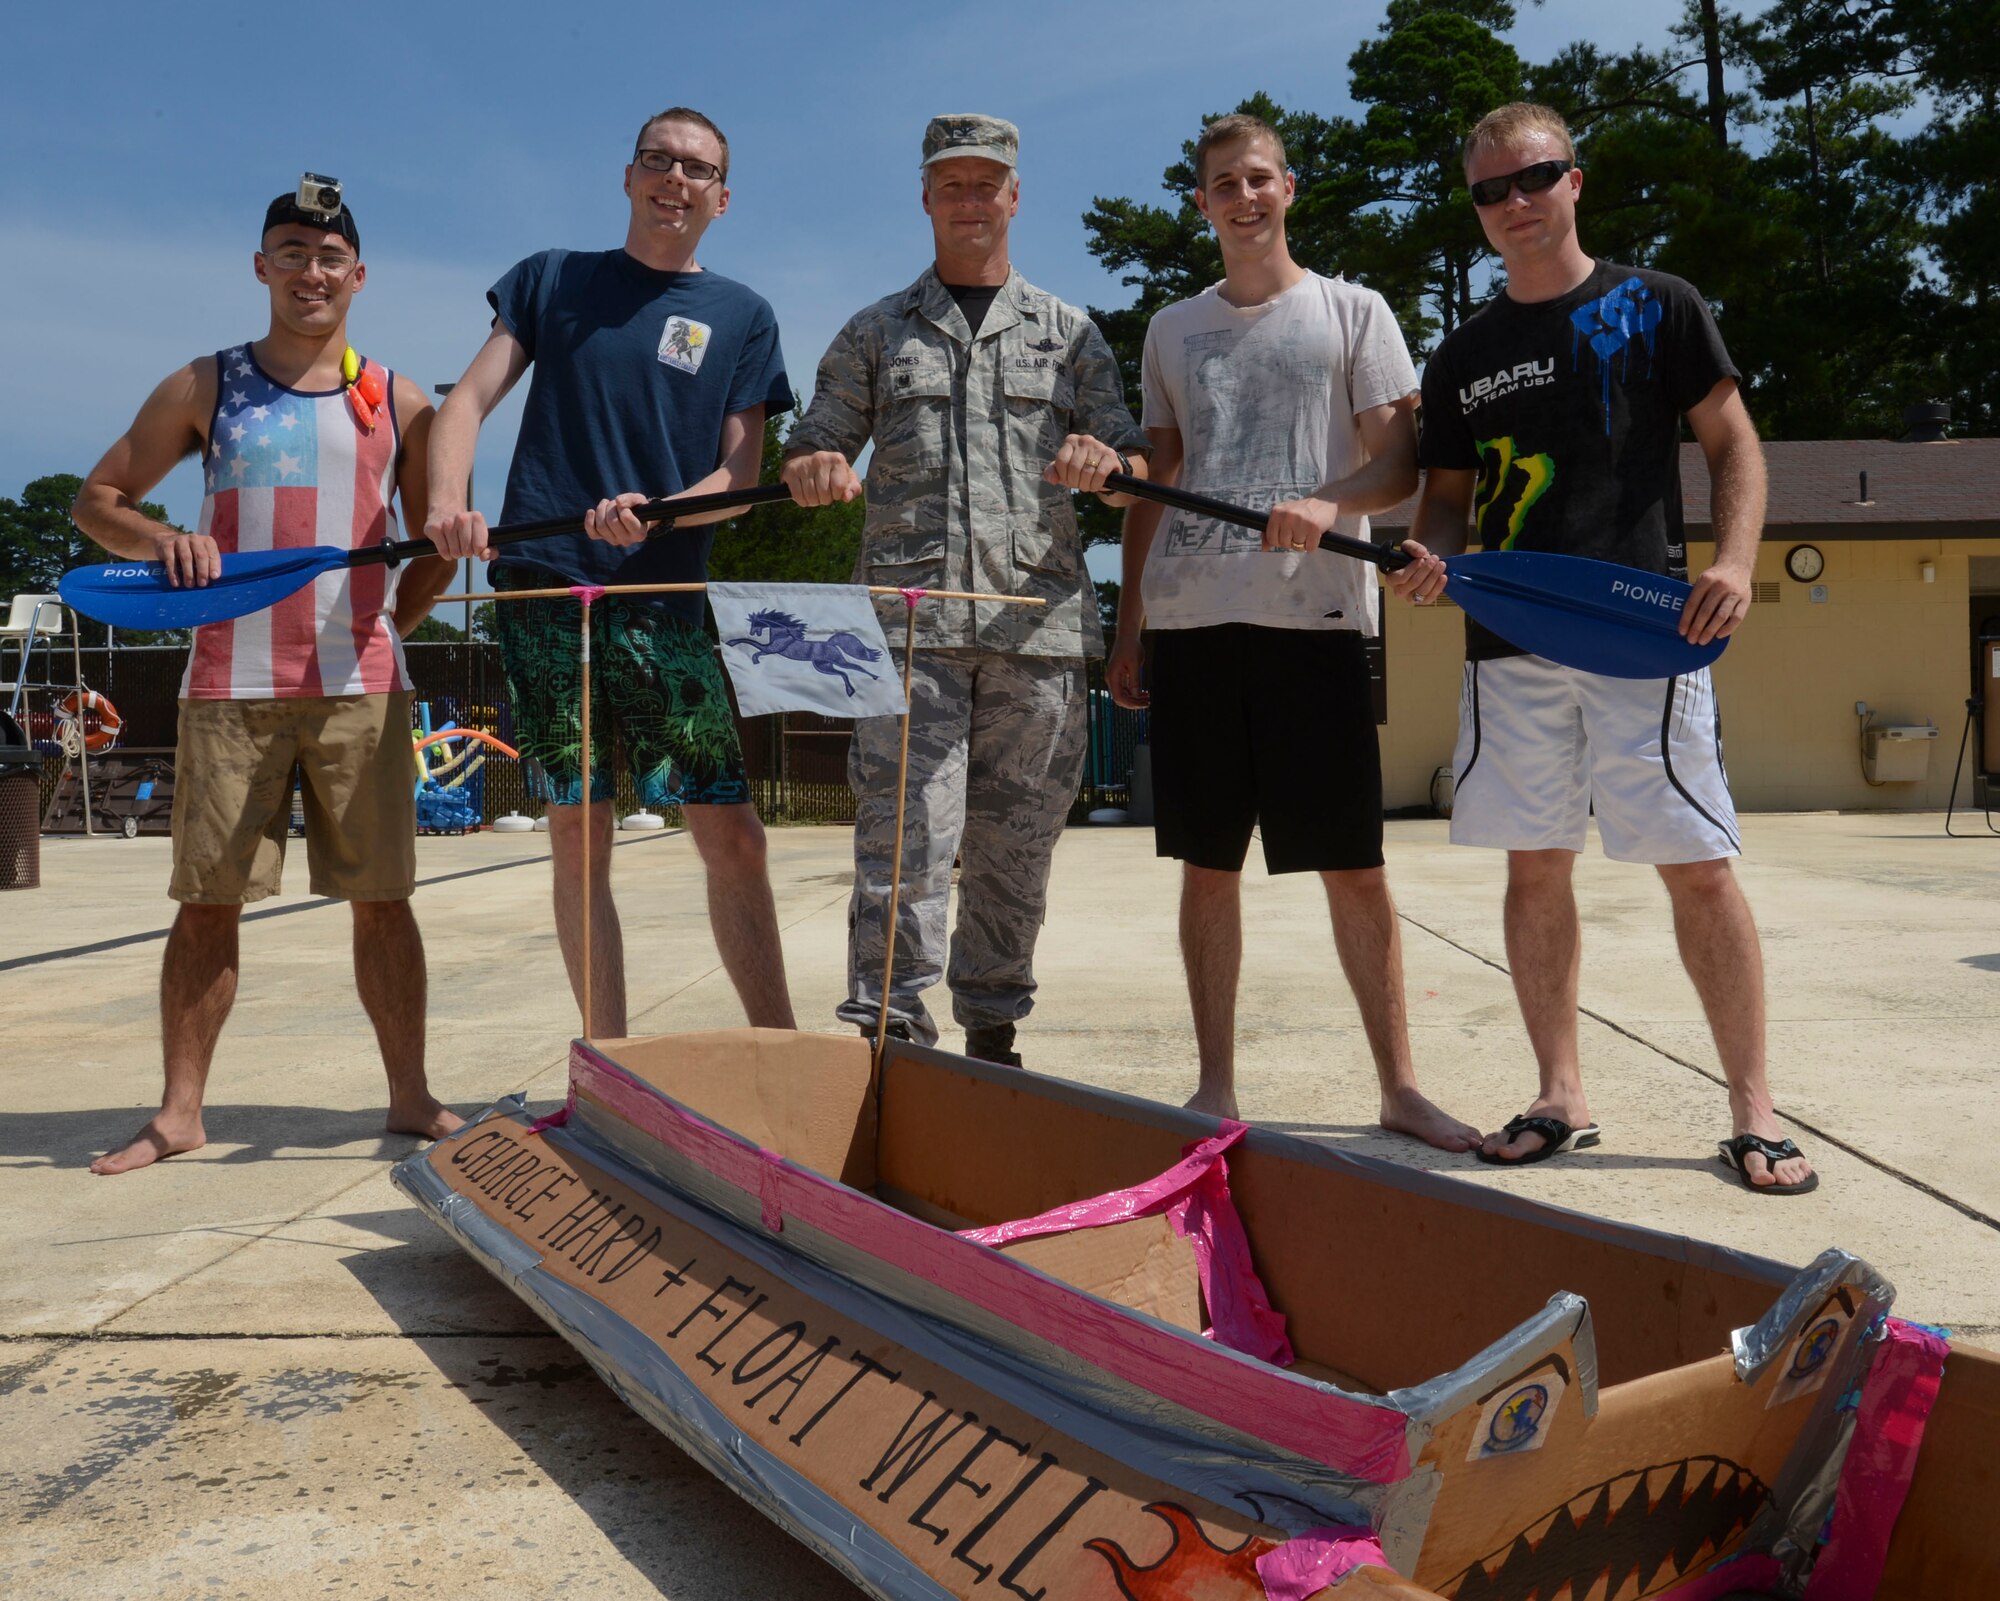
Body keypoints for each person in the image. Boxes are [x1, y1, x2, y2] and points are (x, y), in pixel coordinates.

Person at [1388, 102, 1816, 1192]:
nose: (1511, 204)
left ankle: (1754, 1108)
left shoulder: (1655, 305)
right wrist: (1428, 563)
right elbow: (1443, 502)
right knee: (1535, 867)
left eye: (1530, 178)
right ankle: (1557, 1091)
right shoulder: (1463, 353)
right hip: (1507, 640)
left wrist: (1728, 561)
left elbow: (1732, 443)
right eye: (1488, 191)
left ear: (1573, 179)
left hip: (1642, 630)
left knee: (1696, 867)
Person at [1105, 114, 1479, 1151]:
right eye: (1221, 182)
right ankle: (1213, 1085)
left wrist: (1324, 502)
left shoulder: (1351, 310)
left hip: (1310, 621)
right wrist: (1129, 619)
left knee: (1352, 865)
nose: (1241, 195)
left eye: (1257, 177)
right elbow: (1159, 478)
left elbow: (1395, 464)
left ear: (1288, 188)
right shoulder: (1171, 329)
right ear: (1201, 203)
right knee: (1204, 865)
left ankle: (1399, 1086)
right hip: (1191, 622)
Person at [72, 180, 460, 1175]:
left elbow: (435, 547)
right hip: (226, 686)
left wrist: (383, 627)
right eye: (289, 252)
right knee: (208, 902)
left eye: (328, 257)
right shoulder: (205, 384)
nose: (310, 272)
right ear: (260, 267)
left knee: (383, 899)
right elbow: (97, 502)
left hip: (360, 688)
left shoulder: (399, 398)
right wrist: (164, 541)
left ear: (359, 276)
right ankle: (179, 1113)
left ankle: (410, 1096)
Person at [784, 114, 1150, 1065]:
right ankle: (889, 1041)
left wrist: (1105, 457)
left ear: (1015, 197)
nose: (971, 199)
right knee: (900, 845)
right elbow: (817, 434)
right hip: (909, 633)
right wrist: (818, 461)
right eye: (953, 183)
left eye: (988, 183)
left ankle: (993, 1031)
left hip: (1037, 630)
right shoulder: (875, 332)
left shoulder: (1070, 336)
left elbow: (1131, 455)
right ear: (926, 197)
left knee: (1015, 852)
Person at [425, 107, 797, 1038]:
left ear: (724, 196)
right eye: (659, 161)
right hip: (544, 589)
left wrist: (661, 514)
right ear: (627, 176)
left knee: (732, 834)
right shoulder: (554, 279)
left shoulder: (743, 316)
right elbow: (465, 400)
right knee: (579, 832)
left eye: (698, 169)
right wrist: (444, 503)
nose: (677, 179)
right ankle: (611, 1064)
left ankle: (782, 1047)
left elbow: (741, 479)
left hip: (662, 601)